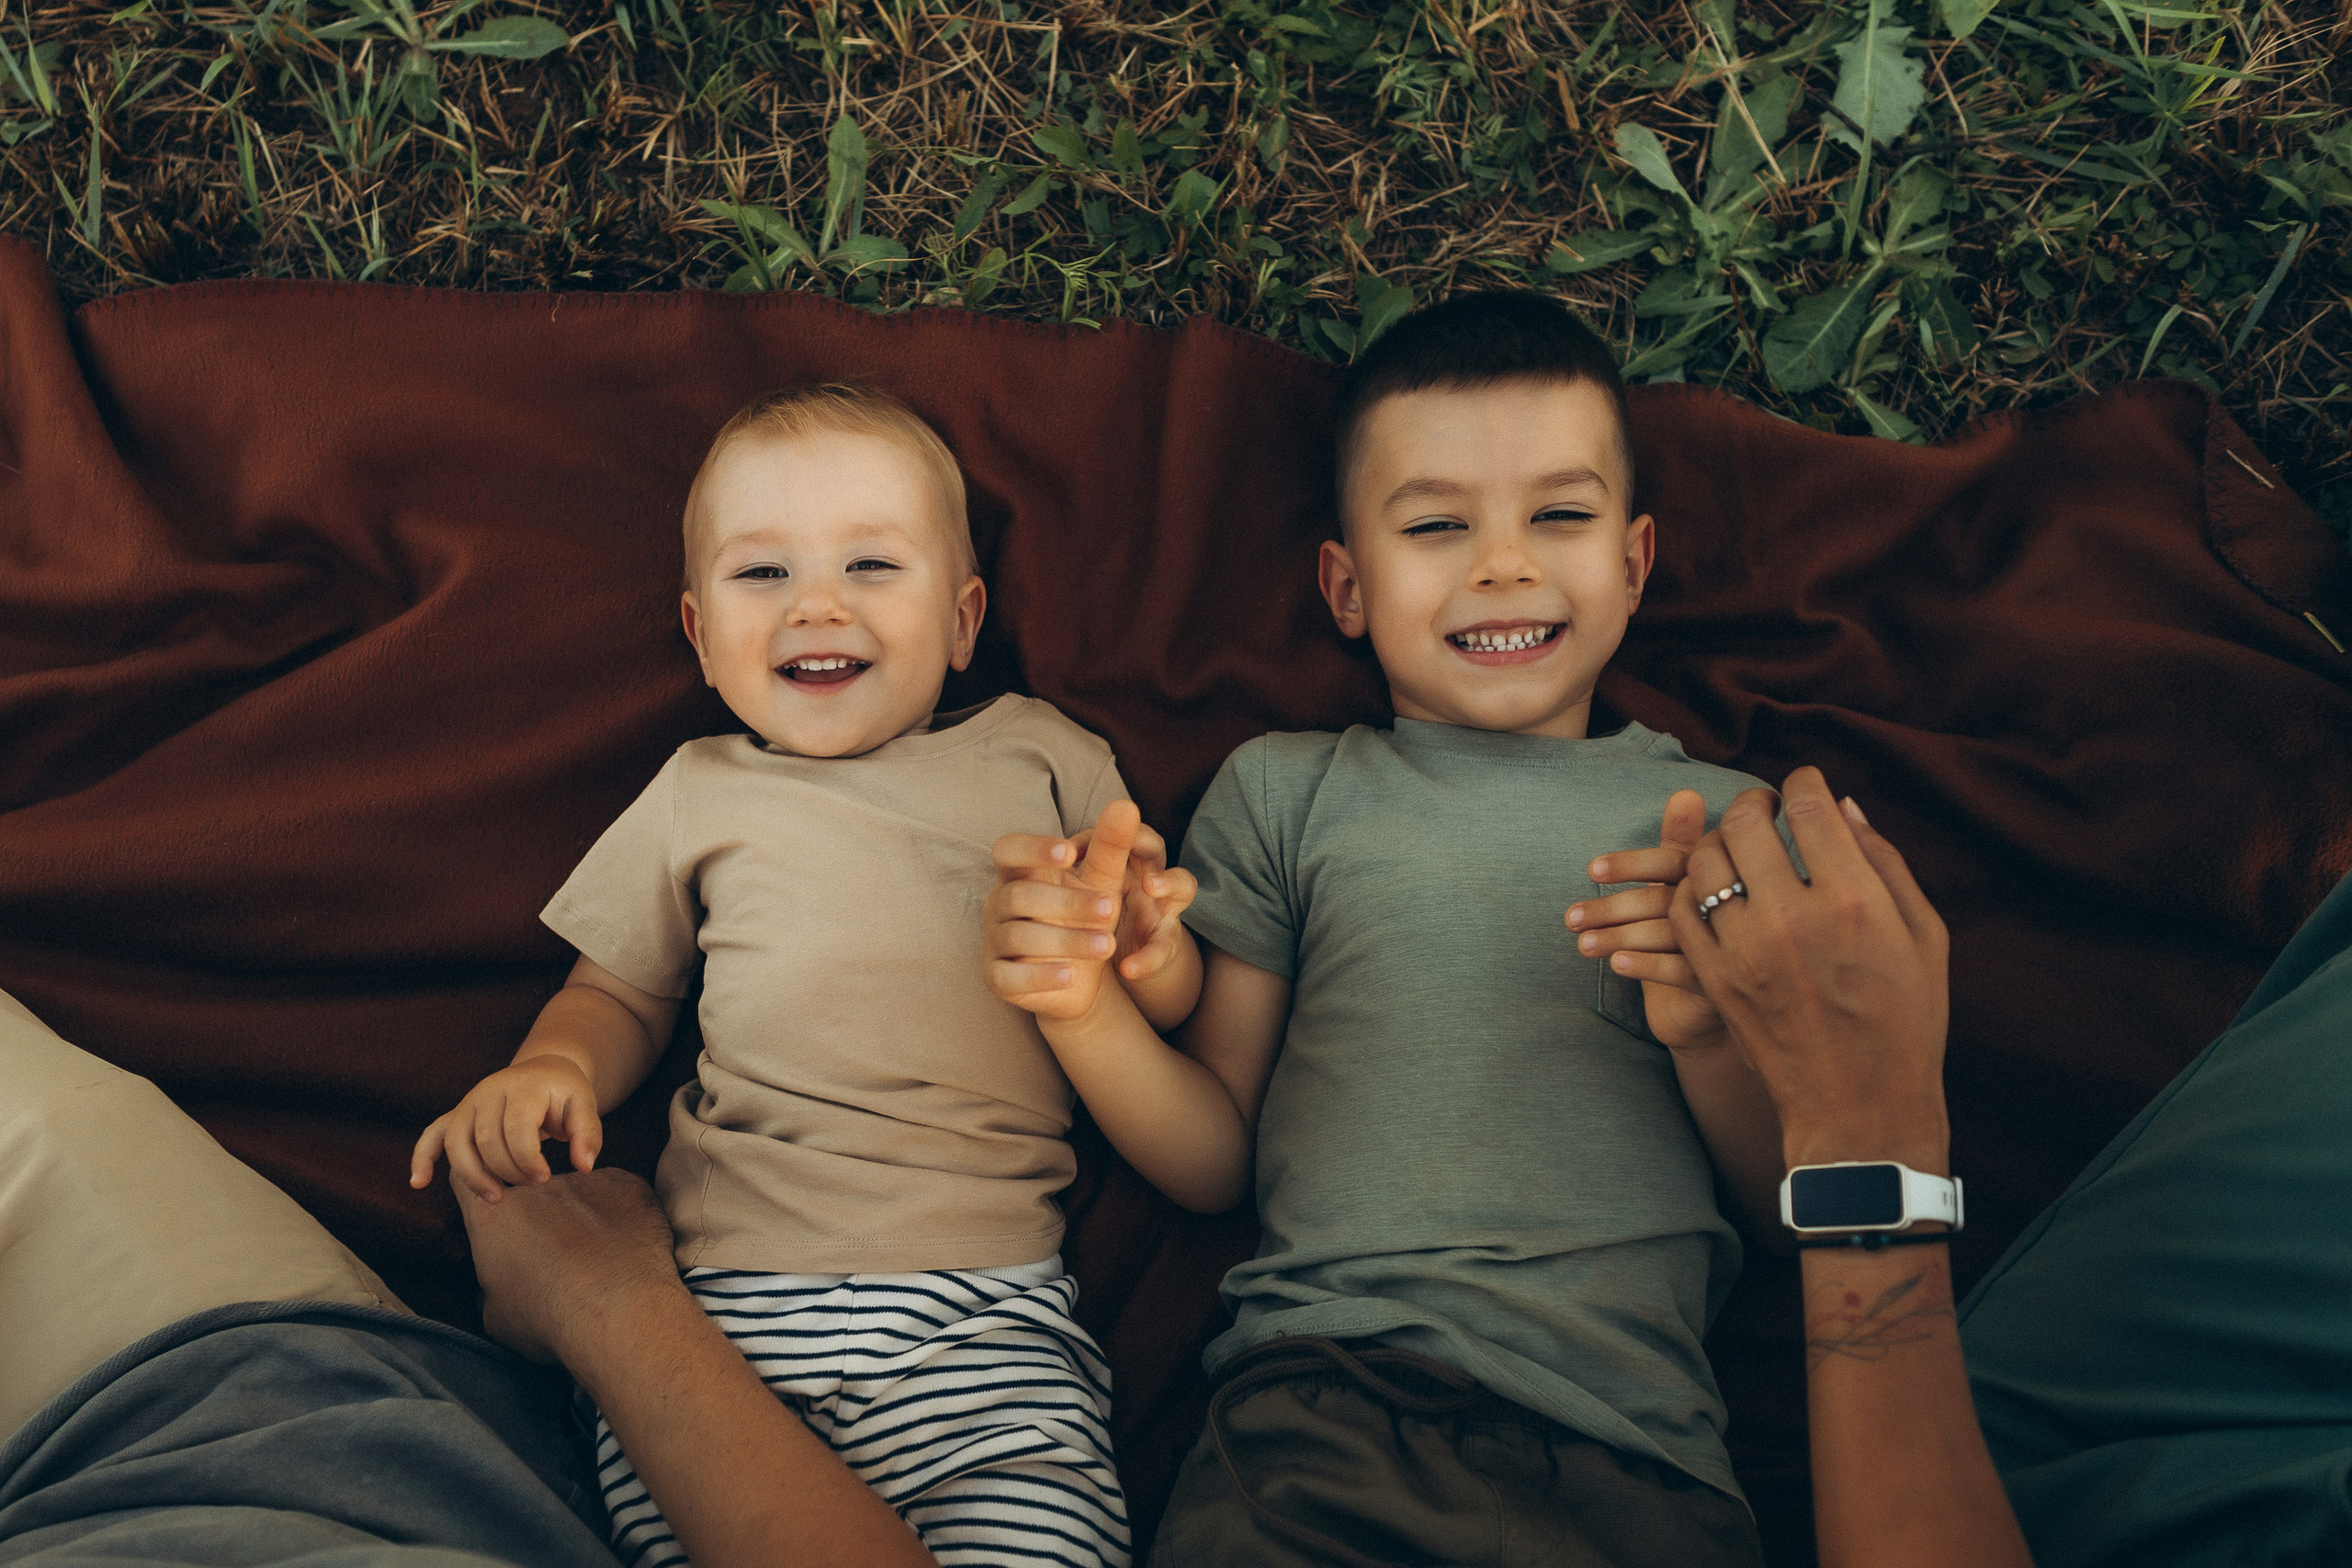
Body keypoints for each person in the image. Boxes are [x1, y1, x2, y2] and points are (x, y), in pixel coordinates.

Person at [982, 292, 1781, 1565]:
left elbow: (1800, 1196)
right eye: (1437, 526)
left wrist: (1704, 1039)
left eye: (1559, 516)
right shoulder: (1290, 792)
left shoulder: (1725, 829)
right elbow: (1215, 1160)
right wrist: (1081, 1003)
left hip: (1635, 1450)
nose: (1504, 565)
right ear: (1348, 587)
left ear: (1634, 564)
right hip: (1320, 1420)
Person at [405, 384, 1165, 1568]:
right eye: (763, 575)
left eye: (872, 565)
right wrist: (552, 1067)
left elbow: (1151, 973)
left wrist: (1139, 945)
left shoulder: (1042, 753)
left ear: (964, 623)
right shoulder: (699, 790)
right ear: (702, 638)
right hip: (724, 1316)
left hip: (984, 1326)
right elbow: (617, 991)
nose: (818, 603)